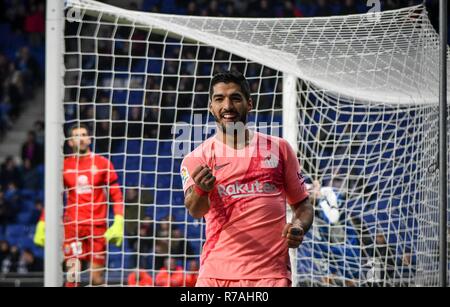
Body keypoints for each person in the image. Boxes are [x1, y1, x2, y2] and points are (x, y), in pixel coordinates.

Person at [180, 71, 313, 287]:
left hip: (270, 275)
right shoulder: (196, 158)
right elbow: (195, 210)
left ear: (249, 103)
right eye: (219, 99)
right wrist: (202, 190)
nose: (227, 106)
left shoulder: (279, 149)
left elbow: (303, 205)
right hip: (216, 274)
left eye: (235, 98)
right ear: (210, 107)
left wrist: (298, 226)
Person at [33, 123, 124, 287]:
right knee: (72, 278)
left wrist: (119, 219)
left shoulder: (102, 163)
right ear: (70, 142)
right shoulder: (64, 166)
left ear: (89, 139)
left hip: (97, 227)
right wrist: (42, 221)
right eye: (76, 135)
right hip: (73, 227)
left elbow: (116, 194)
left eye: (83, 135)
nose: (80, 139)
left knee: (95, 279)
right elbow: (55, 198)